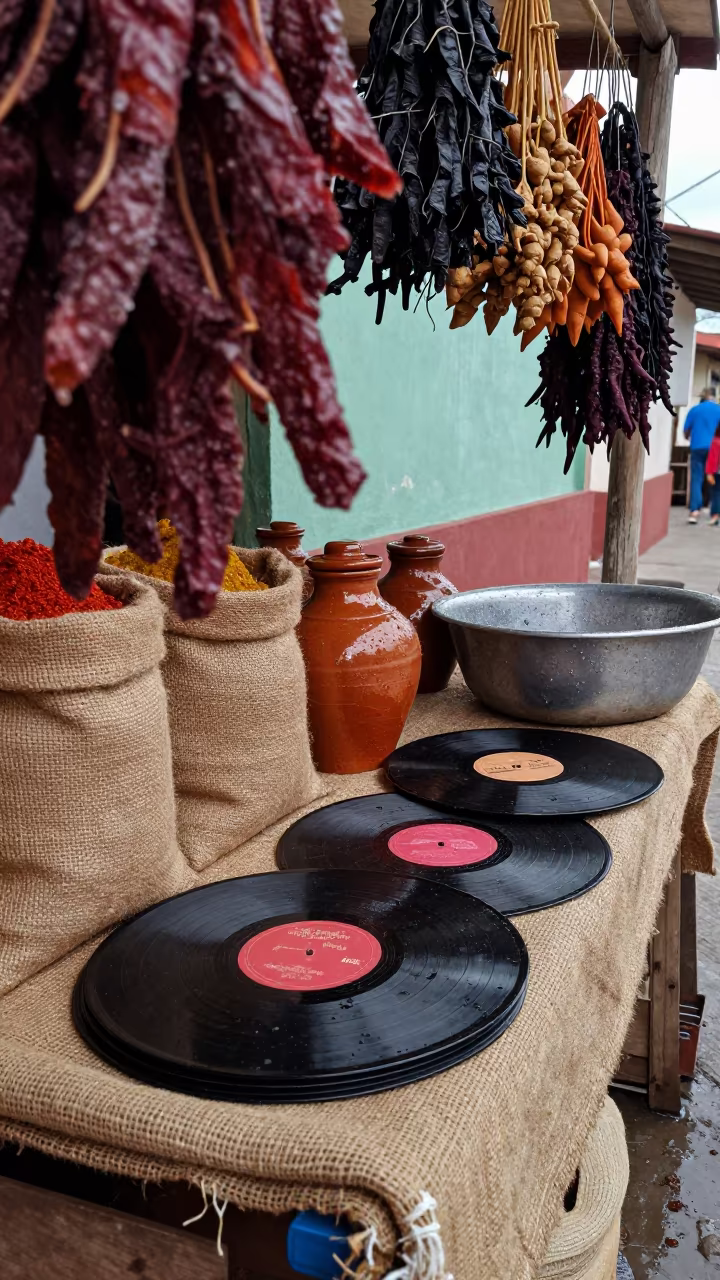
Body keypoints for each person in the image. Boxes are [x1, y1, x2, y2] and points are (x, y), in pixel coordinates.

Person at [683, 388, 720, 523]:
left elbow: (686, 431)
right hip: (715, 450)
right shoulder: (718, 410)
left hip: (697, 447)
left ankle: (694, 511)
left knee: (696, 479)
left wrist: (691, 438)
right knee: (715, 479)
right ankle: (714, 513)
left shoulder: (694, 410)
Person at [706, 425, 720, 526]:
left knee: (716, 494)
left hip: (718, 472)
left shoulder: (716, 442)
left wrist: (709, 472)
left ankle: (715, 516)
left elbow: (712, 459)